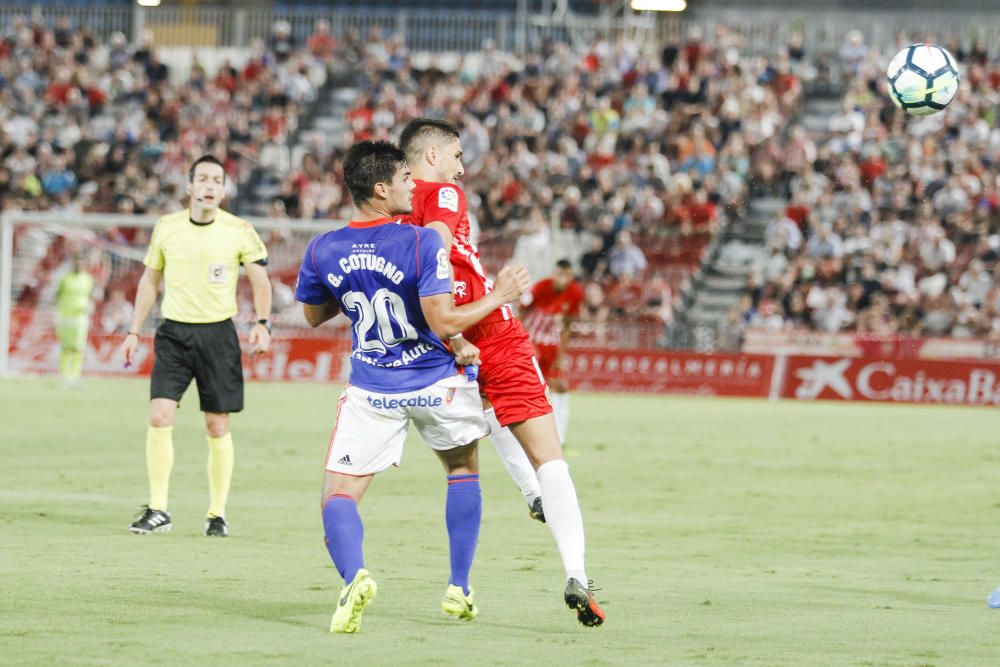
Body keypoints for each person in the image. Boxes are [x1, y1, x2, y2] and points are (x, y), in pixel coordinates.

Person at [294, 140, 530, 633]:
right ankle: (459, 587)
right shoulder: (423, 241)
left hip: (372, 388)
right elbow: (443, 322)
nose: (412, 187)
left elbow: (314, 315)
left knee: (338, 495)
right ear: (381, 189)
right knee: (462, 467)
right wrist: (501, 295)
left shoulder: (323, 246)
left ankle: (354, 577)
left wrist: (354, 277)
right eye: (404, 179)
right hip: (435, 380)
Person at [400, 118, 606, 627]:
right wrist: (473, 316)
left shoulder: (389, 212)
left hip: (436, 339)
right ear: (431, 157)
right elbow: (437, 248)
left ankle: (530, 496)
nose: (461, 168)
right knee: (549, 453)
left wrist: (449, 333)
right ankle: (575, 569)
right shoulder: (443, 193)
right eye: (456, 155)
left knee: (477, 434)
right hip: (487, 327)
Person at [120, 155, 273, 538]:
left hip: (218, 335)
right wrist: (133, 331)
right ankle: (158, 509)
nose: (208, 185)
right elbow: (149, 281)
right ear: (189, 187)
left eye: (216, 180)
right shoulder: (166, 227)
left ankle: (216, 514)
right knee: (159, 416)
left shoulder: (239, 230)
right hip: (173, 333)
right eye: (202, 179)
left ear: (223, 190)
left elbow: (261, 283)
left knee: (217, 424)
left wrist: (262, 323)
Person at [520, 259, 584, 445]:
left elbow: (567, 326)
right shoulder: (541, 287)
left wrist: (561, 355)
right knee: (528, 387)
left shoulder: (575, 293)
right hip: (531, 341)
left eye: (565, 275)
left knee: (560, 385)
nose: (560, 279)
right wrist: (523, 342)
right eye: (557, 274)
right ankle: (525, 435)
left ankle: (559, 437)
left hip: (551, 344)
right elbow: (521, 314)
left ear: (570, 276)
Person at [54, 254, 95, 386]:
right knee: (66, 347)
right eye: (77, 263)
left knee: (78, 348)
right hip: (65, 317)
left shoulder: (89, 280)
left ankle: (75, 376)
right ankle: (64, 375)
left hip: (81, 318)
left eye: (81, 264)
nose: (79, 266)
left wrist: (90, 307)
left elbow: (92, 296)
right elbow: (57, 296)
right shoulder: (65, 279)